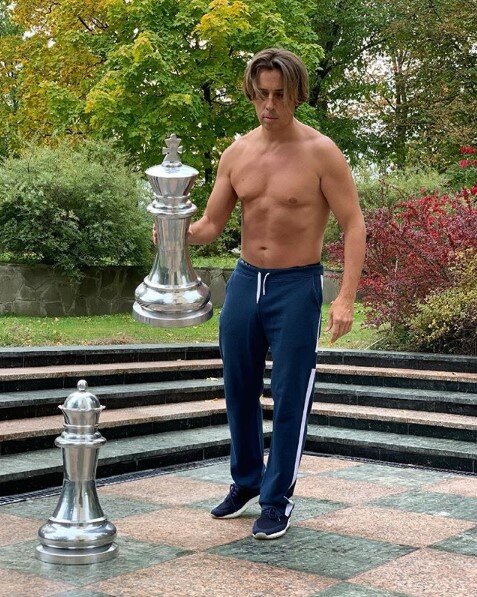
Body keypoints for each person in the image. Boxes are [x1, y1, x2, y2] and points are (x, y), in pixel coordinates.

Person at [160, 48, 366, 539]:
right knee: (238, 388)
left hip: (296, 285)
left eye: (280, 95)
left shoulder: (321, 152)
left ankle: (277, 499)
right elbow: (211, 225)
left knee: (290, 395)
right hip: (245, 280)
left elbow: (353, 224)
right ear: (251, 94)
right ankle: (247, 481)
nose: (269, 105)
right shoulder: (237, 154)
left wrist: (345, 298)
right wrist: (173, 230)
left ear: (296, 95)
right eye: (261, 95)